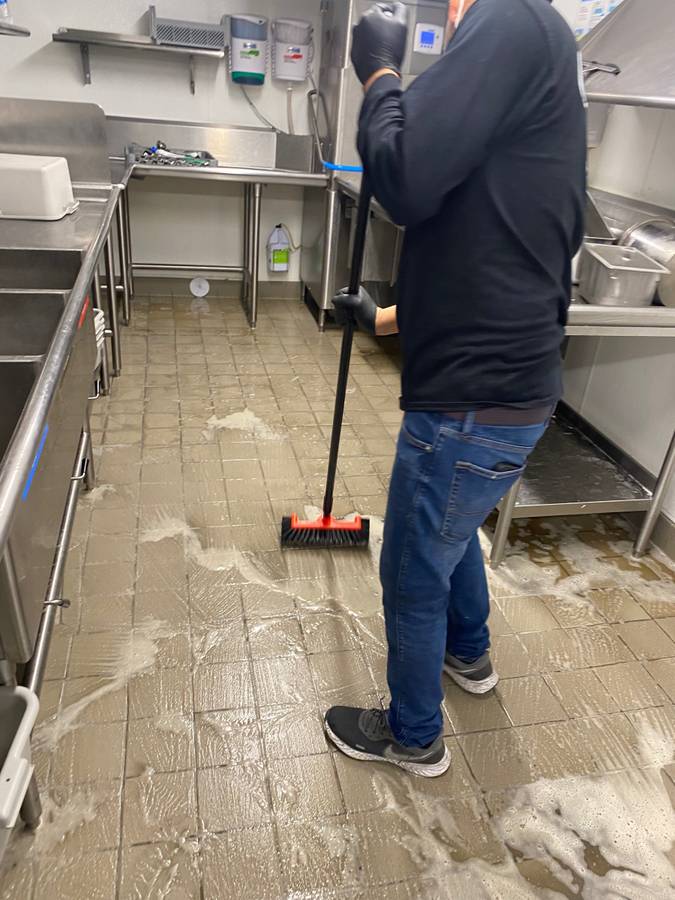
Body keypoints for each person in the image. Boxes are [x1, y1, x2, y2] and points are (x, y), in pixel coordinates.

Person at [324, 0, 586, 777]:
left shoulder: (507, 20)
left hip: (468, 403)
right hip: (505, 393)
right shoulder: (537, 40)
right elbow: (488, 246)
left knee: (410, 568)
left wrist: (379, 74)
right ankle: (467, 655)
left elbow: (405, 179)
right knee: (450, 530)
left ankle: (413, 737)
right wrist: (384, 319)